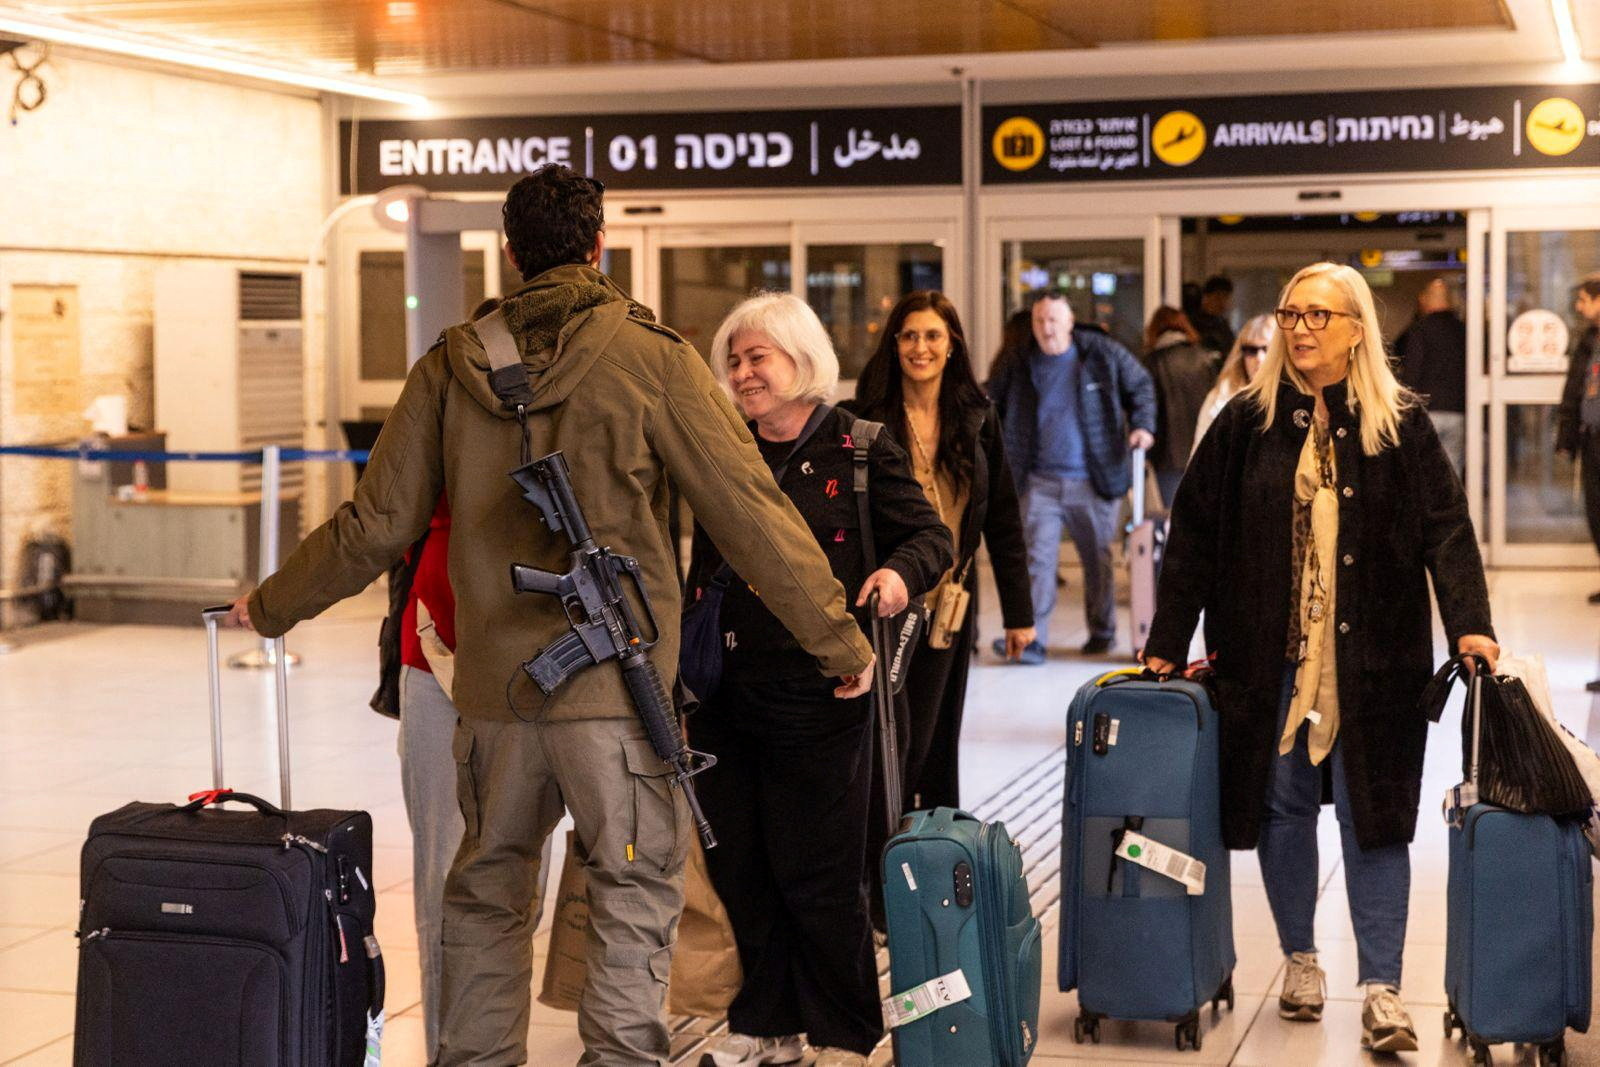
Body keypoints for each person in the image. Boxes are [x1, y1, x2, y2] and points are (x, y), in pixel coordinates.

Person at [224, 165, 875, 1067]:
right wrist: (837, 638)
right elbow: (752, 514)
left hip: (495, 698)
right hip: (617, 698)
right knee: (632, 893)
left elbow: (376, 523)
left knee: (487, 901)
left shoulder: (452, 361)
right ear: (598, 246)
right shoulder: (655, 359)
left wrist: (271, 604)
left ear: (509, 250)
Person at [1143, 262, 1498, 1056]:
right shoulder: (1245, 423)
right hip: (1268, 658)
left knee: (1375, 817)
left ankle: (1380, 987)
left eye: (1318, 315)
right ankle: (1301, 956)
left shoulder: (1398, 422)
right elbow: (1194, 535)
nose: (1300, 328)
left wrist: (1470, 623)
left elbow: (1446, 525)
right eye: (1291, 314)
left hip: (1375, 661)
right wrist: (1168, 641)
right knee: (1283, 806)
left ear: (1356, 328)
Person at [686, 293, 952, 1067]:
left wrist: (899, 577)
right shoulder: (722, 449)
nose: (741, 372)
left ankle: (844, 1032)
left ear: (800, 359)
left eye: (756, 357)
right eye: (734, 360)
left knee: (821, 873)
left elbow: (928, 537)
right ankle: (767, 1027)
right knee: (745, 866)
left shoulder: (859, 449)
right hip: (726, 695)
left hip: (823, 694)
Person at [847, 290, 1034, 811]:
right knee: (889, 736)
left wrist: (1020, 616)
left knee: (932, 735)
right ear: (894, 344)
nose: (920, 347)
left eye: (932, 335)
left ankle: (926, 842)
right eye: (909, 336)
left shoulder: (976, 417)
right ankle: (884, 844)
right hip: (886, 602)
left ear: (952, 343)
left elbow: (1002, 519)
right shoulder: (866, 419)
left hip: (950, 602)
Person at [988, 290, 1156, 658]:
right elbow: (989, 403)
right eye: (1039, 321)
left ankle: (1102, 630)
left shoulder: (1100, 353)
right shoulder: (1019, 361)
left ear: (1069, 322)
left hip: (1093, 480)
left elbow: (1141, 385)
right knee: (1038, 560)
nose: (1046, 328)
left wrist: (1143, 426)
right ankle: (1033, 640)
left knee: (1098, 560)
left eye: (1053, 320)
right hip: (1039, 481)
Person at [1142, 305, 1220, 509]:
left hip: (1167, 456)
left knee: (1174, 516)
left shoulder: (1152, 363)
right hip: (1205, 451)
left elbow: (1148, 411)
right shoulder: (1204, 358)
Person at [1556, 272, 1600, 614]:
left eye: (1584, 299)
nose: (1578, 306)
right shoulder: (1589, 340)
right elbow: (1574, 390)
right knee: (1595, 509)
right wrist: (1567, 437)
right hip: (1592, 436)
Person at [1395, 277, 1467, 475]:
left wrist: (1404, 408)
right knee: (1452, 467)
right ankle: (1453, 506)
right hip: (1457, 409)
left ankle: (1430, 507)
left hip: (1427, 410)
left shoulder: (1419, 330)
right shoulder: (1463, 330)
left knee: (1425, 469)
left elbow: (1412, 371)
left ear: (1425, 300)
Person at [1194, 313, 1275, 450]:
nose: (1259, 358)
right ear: (1241, 354)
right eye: (1251, 350)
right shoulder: (1219, 399)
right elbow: (1199, 457)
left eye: (1267, 349)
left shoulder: (1295, 399)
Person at [1192, 274, 1238, 356]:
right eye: (1218, 297)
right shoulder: (1193, 322)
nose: (1222, 303)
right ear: (1205, 297)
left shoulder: (1223, 324)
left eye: (1226, 298)